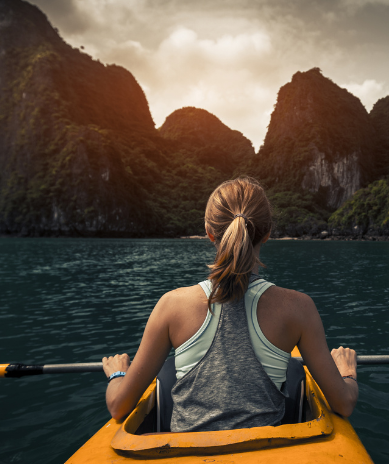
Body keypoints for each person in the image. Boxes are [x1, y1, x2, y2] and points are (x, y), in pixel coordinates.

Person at [101, 177, 358, 432]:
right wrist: (346, 372)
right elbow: (343, 404)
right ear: (268, 233)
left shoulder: (171, 306)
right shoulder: (298, 308)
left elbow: (118, 406)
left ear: (209, 232)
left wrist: (117, 375)